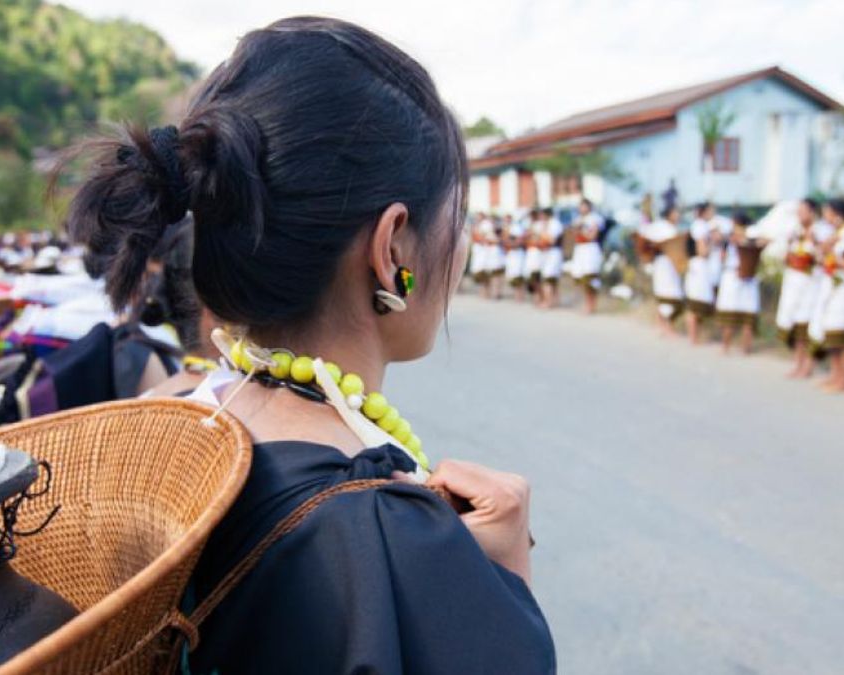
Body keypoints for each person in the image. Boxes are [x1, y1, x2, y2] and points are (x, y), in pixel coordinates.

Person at [61, 16, 554, 674]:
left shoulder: (171, 406)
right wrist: (504, 582)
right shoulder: (383, 539)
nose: (462, 247)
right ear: (393, 250)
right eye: (456, 218)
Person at [808, 198, 844, 392]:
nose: (825, 218)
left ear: (837, 214)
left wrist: (834, 255)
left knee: (843, 336)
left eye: (827, 213)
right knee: (831, 335)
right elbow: (820, 256)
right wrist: (825, 247)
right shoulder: (835, 235)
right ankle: (834, 375)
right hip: (831, 288)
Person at [775, 198, 827, 377]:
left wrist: (814, 245)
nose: (799, 214)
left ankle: (809, 365)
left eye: (802, 211)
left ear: (812, 212)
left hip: (813, 286)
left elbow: (823, 258)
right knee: (797, 328)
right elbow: (786, 256)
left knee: (810, 327)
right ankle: (798, 363)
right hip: (794, 285)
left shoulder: (821, 231)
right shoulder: (794, 232)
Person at [714, 212, 760, 354]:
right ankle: (726, 346)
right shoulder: (728, 240)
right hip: (731, 277)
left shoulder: (752, 237)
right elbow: (722, 256)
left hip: (747, 278)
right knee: (729, 315)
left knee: (747, 316)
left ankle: (746, 347)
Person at [640, 205, 683, 336]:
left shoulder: (670, 228)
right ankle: (664, 325)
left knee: (674, 295)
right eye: (676, 212)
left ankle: (666, 324)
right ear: (669, 214)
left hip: (670, 265)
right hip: (662, 264)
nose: (678, 215)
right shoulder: (662, 227)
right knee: (665, 293)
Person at [683, 202, 716, 343]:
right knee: (695, 305)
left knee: (698, 305)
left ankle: (695, 336)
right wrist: (712, 244)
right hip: (699, 268)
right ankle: (693, 337)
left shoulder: (699, 226)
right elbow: (703, 251)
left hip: (698, 268)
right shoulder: (701, 226)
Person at [568, 198, 604, 313]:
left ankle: (592, 305)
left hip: (590, 249)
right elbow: (573, 235)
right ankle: (587, 304)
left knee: (591, 279)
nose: (582, 208)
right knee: (582, 279)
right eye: (580, 206)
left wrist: (581, 231)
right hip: (580, 250)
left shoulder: (595, 218)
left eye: (584, 206)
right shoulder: (577, 219)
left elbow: (592, 236)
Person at [536, 208, 563, 309]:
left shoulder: (555, 224)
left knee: (549, 278)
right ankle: (554, 300)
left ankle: (548, 301)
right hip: (545, 254)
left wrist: (542, 235)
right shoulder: (542, 224)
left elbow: (551, 240)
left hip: (553, 253)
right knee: (550, 278)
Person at [503, 213, 529, 302]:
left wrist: (509, 244)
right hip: (511, 254)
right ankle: (516, 295)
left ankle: (520, 296)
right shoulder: (507, 228)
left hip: (518, 254)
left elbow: (518, 242)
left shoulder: (516, 228)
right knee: (513, 275)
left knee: (519, 275)